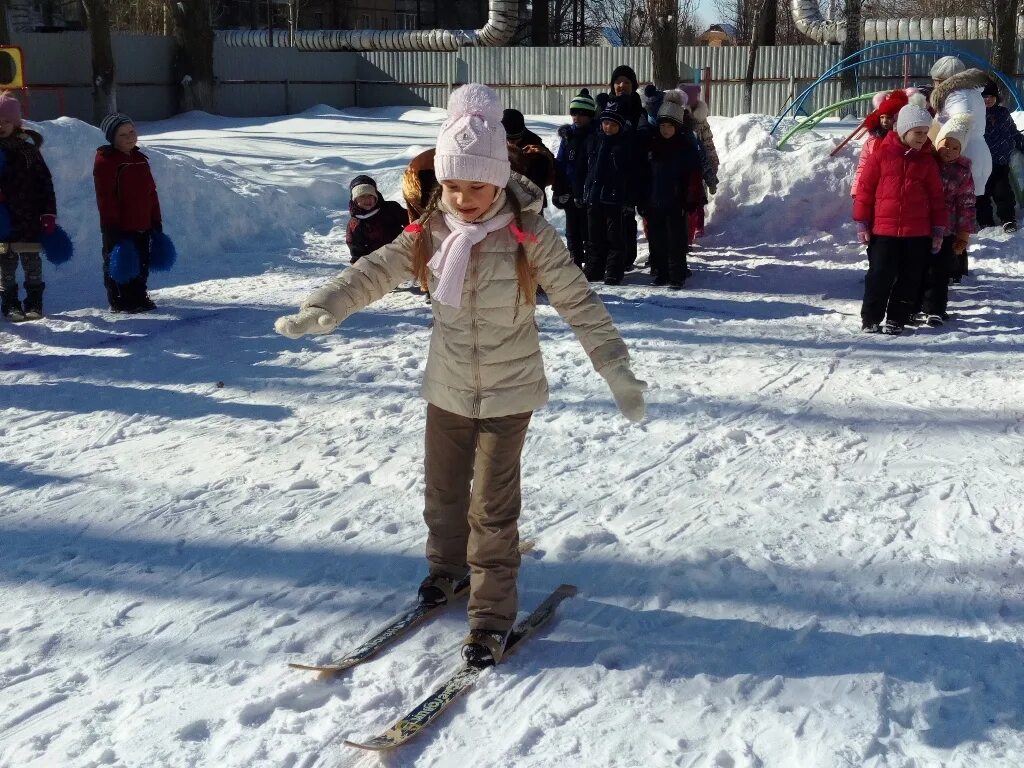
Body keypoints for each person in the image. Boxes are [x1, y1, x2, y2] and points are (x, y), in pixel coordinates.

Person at [273, 84, 647, 667]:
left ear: (498, 181)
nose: (464, 199)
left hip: (508, 392)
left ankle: (491, 618)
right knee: (444, 495)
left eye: (477, 186)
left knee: (492, 512)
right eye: (453, 186)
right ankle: (447, 573)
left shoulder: (528, 234)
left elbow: (578, 300)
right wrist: (328, 304)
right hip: (447, 387)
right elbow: (375, 269)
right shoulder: (430, 230)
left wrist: (615, 369)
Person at [854, 101, 948, 336]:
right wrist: (863, 222)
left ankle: (897, 317)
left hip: (917, 233)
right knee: (879, 275)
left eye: (926, 133)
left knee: (910, 276)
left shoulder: (926, 161)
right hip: (883, 231)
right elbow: (865, 190)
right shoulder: (880, 156)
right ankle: (871, 317)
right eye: (918, 133)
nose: (922, 138)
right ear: (904, 131)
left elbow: (937, 198)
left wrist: (938, 229)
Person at [93, 113, 163, 312]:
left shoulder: (140, 159)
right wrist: (111, 225)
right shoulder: (107, 162)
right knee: (119, 262)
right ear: (112, 138)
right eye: (123, 135)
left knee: (142, 261)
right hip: (118, 225)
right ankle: (119, 299)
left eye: (132, 131)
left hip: (143, 223)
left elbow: (151, 192)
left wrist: (155, 219)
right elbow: (106, 196)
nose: (130, 137)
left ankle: (138, 295)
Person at [0, 92, 56, 322]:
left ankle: (34, 302)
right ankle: (10, 304)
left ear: (16, 123)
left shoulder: (28, 151)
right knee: (5, 265)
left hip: (29, 217)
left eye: (6, 121)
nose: (1, 126)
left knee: (32, 263)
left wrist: (48, 213)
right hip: (2, 221)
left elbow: (44, 182)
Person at [913, 115, 974, 325]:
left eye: (955, 148)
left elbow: (966, 204)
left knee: (940, 270)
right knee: (918, 267)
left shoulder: (963, 171)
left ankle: (935, 309)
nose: (949, 151)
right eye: (945, 145)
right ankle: (914, 305)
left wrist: (963, 234)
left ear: (961, 151)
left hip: (947, 230)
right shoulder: (927, 163)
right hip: (921, 226)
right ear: (938, 143)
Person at [641, 90, 704, 288]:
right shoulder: (652, 146)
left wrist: (692, 200)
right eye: (662, 125)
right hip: (655, 202)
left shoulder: (685, 148)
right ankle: (661, 273)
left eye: (670, 126)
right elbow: (644, 176)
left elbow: (694, 176)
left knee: (676, 241)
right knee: (657, 240)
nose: (665, 129)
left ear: (677, 126)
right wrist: (643, 200)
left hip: (677, 203)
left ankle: (677, 274)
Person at [583, 95, 641, 285]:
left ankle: (614, 270)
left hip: (615, 199)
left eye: (612, 124)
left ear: (620, 126)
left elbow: (632, 174)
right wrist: (587, 189)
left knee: (615, 238)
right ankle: (594, 268)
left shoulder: (625, 145)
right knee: (594, 237)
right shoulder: (595, 141)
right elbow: (589, 169)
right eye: (605, 123)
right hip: (594, 197)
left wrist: (629, 200)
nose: (608, 127)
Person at [929, 56, 991, 197]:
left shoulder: (956, 94)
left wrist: (945, 150)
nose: (934, 85)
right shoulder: (972, 93)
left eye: (936, 81)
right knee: (968, 205)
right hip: (976, 151)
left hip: (961, 155)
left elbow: (960, 122)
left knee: (955, 206)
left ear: (942, 80)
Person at [553, 88, 597, 269]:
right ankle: (575, 263)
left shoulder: (595, 136)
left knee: (589, 231)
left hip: (588, 193)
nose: (577, 118)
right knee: (572, 231)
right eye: (574, 114)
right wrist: (559, 190)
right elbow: (561, 164)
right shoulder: (567, 137)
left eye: (582, 114)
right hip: (570, 191)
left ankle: (592, 264)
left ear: (590, 115)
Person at [978, 79, 1024, 234]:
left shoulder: (1003, 113)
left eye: (991, 96)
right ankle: (985, 222)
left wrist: (1020, 143)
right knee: (981, 195)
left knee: (1003, 192)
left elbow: (1013, 131)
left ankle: (1008, 219)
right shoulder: (976, 116)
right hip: (981, 163)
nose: (988, 99)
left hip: (1000, 162)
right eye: (984, 96)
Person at [852, 89, 909, 201]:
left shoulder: (904, 140)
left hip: (898, 192)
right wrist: (856, 190)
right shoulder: (872, 140)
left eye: (888, 117)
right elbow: (863, 165)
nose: (884, 121)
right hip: (874, 188)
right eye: (882, 117)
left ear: (897, 118)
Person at [346, 175, 407, 263]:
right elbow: (356, 249)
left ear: (376, 196)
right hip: (378, 261)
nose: (367, 199)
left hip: (402, 251)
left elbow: (410, 220)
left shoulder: (391, 208)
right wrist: (360, 265)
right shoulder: (355, 224)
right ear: (355, 200)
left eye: (370, 195)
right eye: (362, 196)